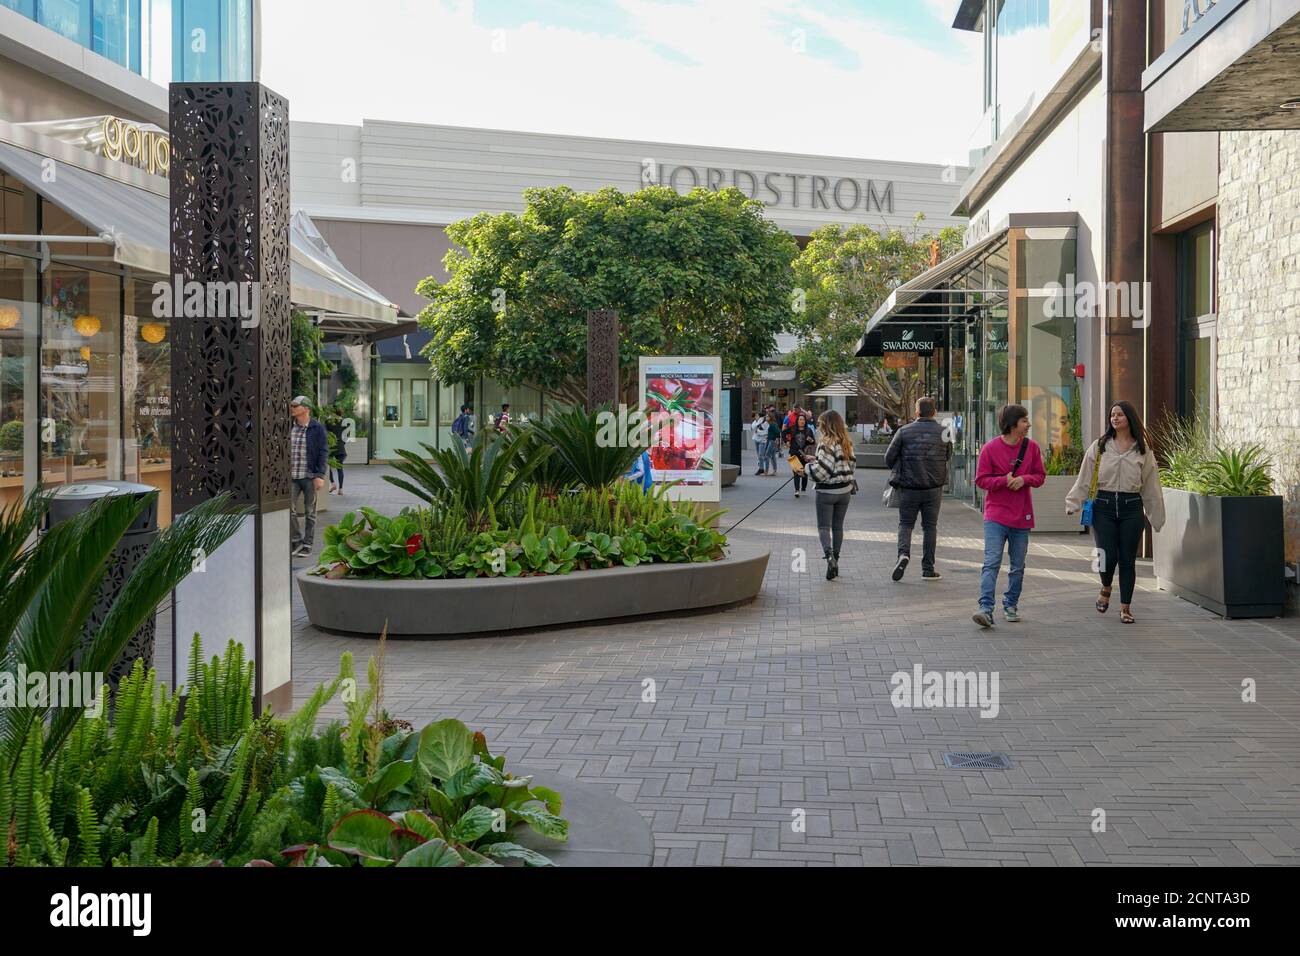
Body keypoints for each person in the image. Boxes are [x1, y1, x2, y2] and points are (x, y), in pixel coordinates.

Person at [1065, 401, 1166, 624]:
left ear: (1129, 418)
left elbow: (1151, 486)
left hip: (1131, 507)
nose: (1115, 418)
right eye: (1112, 415)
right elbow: (1085, 477)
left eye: (1120, 414)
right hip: (1104, 505)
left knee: (1128, 560)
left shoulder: (1143, 449)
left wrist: (1156, 516)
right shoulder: (1100, 446)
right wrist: (1073, 502)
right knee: (1105, 556)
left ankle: (1125, 608)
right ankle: (1106, 585)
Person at [972, 404, 1045, 628]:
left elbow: (1040, 476)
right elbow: (981, 480)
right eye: (1024, 420)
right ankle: (985, 608)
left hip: (1021, 516)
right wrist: (1004, 480)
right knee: (991, 562)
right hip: (995, 515)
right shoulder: (990, 449)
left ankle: (1011, 604)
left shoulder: (1031, 448)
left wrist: (1024, 480)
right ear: (1013, 424)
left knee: (1017, 565)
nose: (1028, 424)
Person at [884, 396, 952, 581]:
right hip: (933, 488)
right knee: (930, 527)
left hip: (909, 487)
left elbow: (888, 458)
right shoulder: (944, 431)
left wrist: (902, 467)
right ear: (935, 412)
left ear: (916, 412)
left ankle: (903, 554)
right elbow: (947, 456)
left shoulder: (904, 431)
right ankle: (928, 568)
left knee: (905, 524)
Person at [806, 409, 857, 580]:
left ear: (826, 425)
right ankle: (836, 560)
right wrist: (815, 460)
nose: (819, 428)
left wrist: (805, 469)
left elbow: (823, 472)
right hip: (845, 491)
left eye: (820, 424)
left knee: (823, 527)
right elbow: (849, 466)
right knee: (838, 527)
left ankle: (829, 558)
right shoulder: (847, 443)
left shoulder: (826, 443)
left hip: (827, 492)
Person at [289, 395, 329, 558]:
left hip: (309, 476)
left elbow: (323, 452)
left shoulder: (317, 428)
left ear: (306, 409)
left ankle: (308, 544)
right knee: (288, 510)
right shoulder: (289, 427)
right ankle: (297, 541)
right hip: (292, 476)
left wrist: (320, 475)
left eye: (296, 406)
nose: (292, 408)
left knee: (309, 512)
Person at [783, 412, 816, 498]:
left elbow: (813, 442)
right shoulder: (793, 429)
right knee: (796, 472)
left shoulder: (809, 430)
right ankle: (796, 490)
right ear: (797, 421)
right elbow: (783, 433)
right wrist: (786, 441)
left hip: (805, 454)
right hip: (794, 453)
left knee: (805, 472)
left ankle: (803, 488)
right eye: (800, 419)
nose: (802, 421)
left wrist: (811, 440)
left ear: (805, 421)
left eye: (803, 420)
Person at [324, 407, 347, 496]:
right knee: (340, 468)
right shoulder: (344, 423)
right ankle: (340, 489)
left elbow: (325, 435)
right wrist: (342, 444)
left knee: (327, 466)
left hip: (331, 447)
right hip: (341, 447)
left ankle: (333, 483)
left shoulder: (328, 422)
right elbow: (345, 436)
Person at [763, 410, 781, 475]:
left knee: (766, 455)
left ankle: (766, 471)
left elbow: (778, 431)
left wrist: (777, 439)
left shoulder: (772, 424)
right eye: (766, 416)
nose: (766, 418)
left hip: (772, 441)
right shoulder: (770, 424)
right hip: (770, 440)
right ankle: (774, 470)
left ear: (770, 417)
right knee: (772, 456)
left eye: (767, 417)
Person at [752, 411, 769, 476]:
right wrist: (757, 429)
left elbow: (765, 432)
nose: (755, 417)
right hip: (756, 439)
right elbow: (753, 427)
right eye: (755, 416)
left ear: (761, 417)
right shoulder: (755, 422)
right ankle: (761, 468)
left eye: (757, 416)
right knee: (758, 455)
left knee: (760, 455)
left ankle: (761, 468)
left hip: (762, 441)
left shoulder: (765, 423)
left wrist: (758, 431)